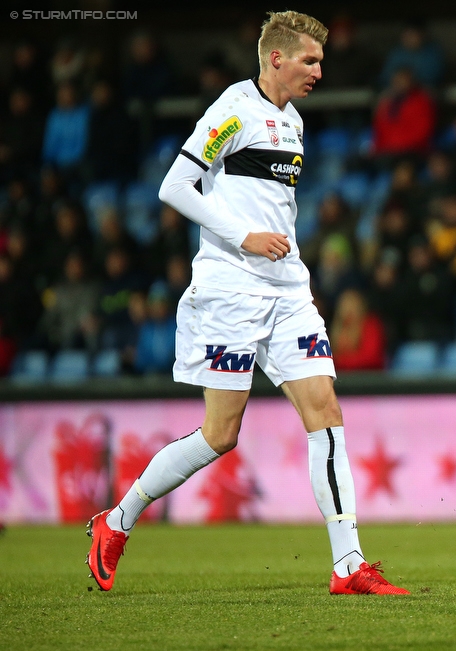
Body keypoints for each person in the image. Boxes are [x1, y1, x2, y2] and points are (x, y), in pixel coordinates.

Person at [85, 11, 408, 596]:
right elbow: (173, 187)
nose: (318, 70)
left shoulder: (295, 122)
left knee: (325, 410)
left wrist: (282, 260)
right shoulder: (232, 109)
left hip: (287, 288)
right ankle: (116, 520)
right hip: (230, 287)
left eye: (321, 61)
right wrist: (243, 237)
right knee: (220, 433)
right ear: (276, 58)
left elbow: (272, 207)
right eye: (310, 60)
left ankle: (349, 565)